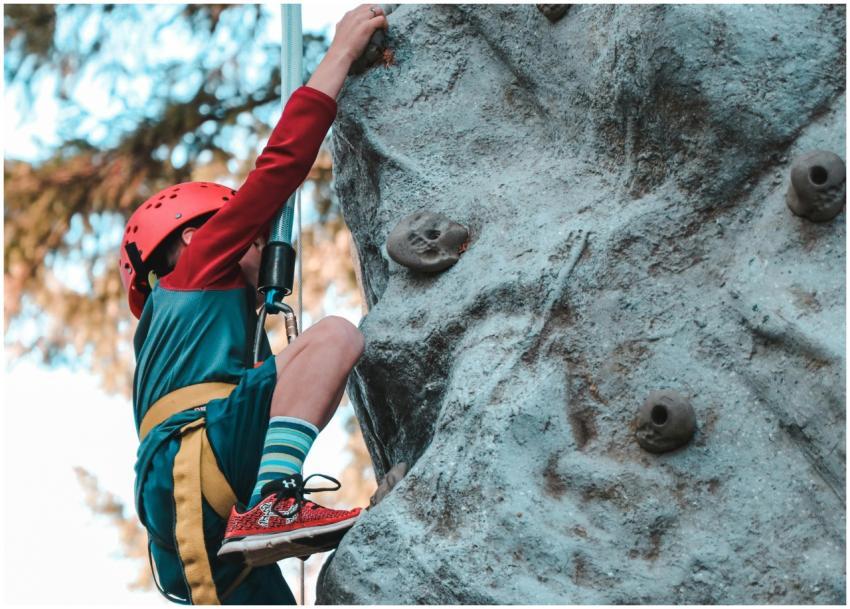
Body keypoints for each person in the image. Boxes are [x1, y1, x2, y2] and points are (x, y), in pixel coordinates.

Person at [118, 5, 389, 604]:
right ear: (193, 235)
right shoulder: (197, 265)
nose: (262, 240)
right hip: (199, 458)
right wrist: (340, 52)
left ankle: (267, 505)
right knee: (336, 336)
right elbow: (279, 168)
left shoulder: (184, 324)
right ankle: (275, 499)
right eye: (253, 233)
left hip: (186, 514)